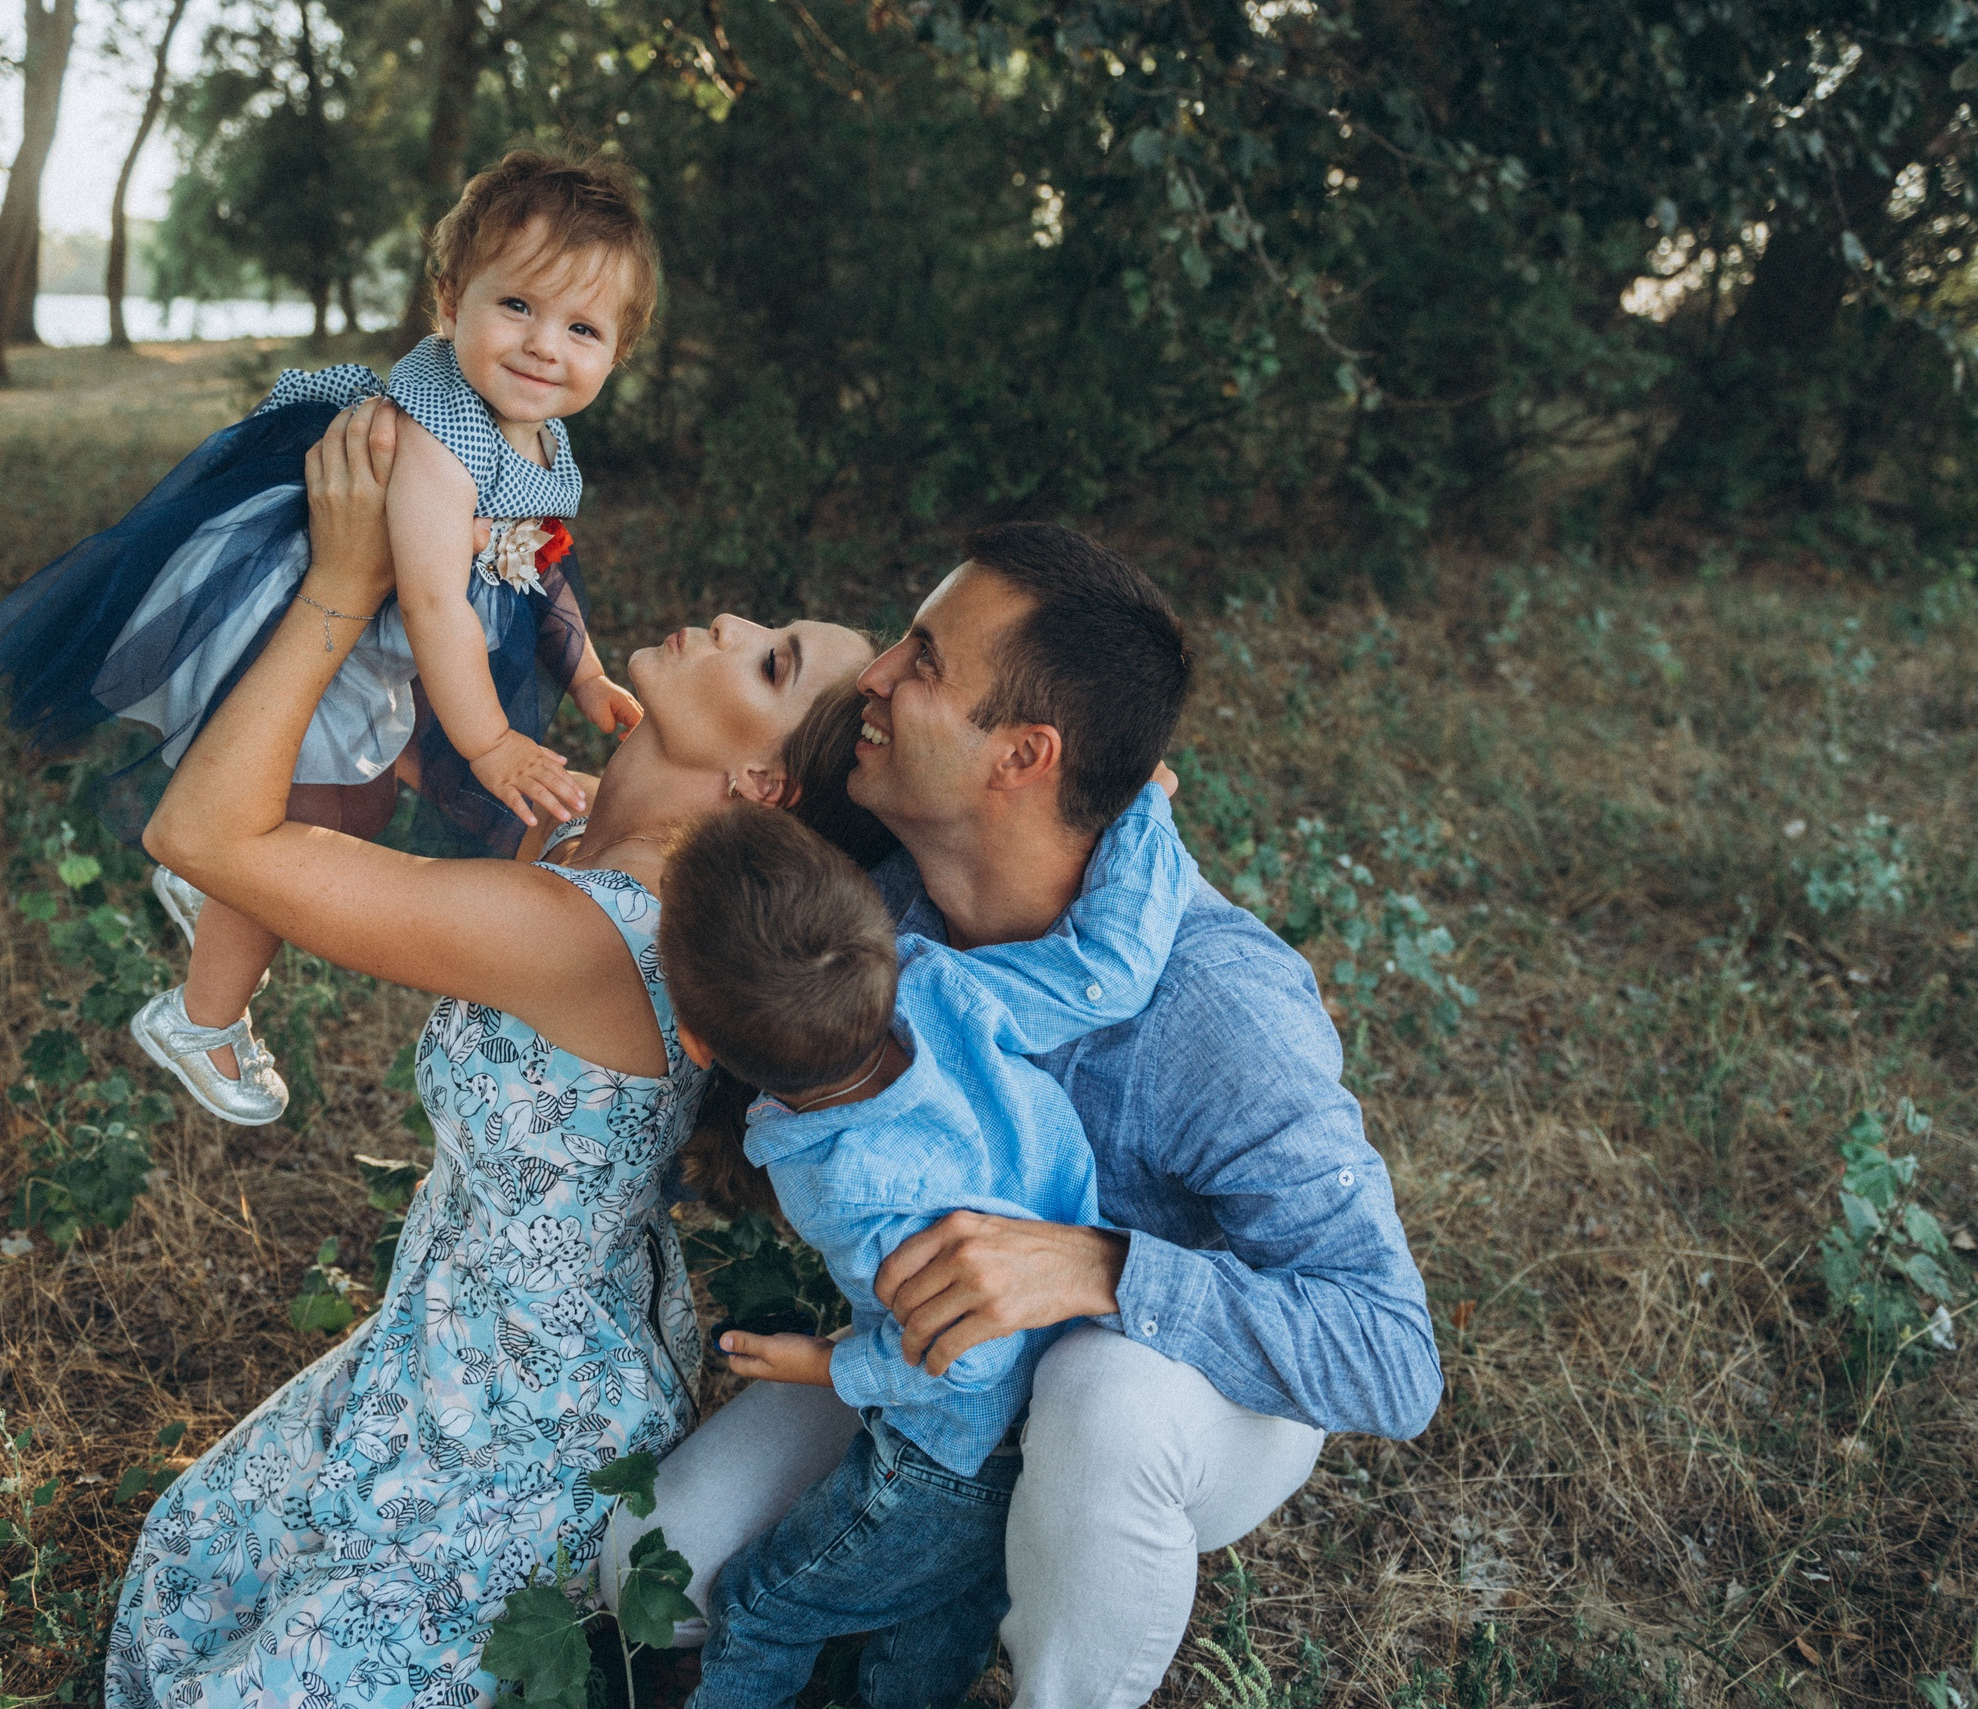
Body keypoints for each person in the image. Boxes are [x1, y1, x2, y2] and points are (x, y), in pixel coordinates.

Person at [101, 398, 879, 1709]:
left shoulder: (591, 934)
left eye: (770, 663)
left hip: (526, 1415)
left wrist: (343, 585)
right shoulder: (570, 837)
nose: (731, 621)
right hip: (442, 1342)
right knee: (195, 1563)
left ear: (763, 784)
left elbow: (205, 836)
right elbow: (391, 719)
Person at [602, 524, 1445, 1708]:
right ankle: (947, 1582)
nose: (877, 674)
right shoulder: (872, 906)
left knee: (1100, 1395)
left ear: (1023, 755)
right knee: (656, 1562)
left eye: (924, 660)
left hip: (1168, 1384)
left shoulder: (1222, 1010)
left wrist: (1098, 1267)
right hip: (945, 1379)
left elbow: (1390, 1357)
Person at [0, 149, 655, 1129]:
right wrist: (492, 742)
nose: (545, 345)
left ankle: (208, 881)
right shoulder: (437, 440)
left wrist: (583, 674)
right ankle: (202, 1017)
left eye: (581, 327)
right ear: (448, 302)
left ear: (618, 352)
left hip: (372, 652)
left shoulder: (536, 433)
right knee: (315, 816)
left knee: (350, 806)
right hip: (316, 627)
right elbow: (433, 602)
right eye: (517, 306)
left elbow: (536, 560)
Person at [654, 782, 1193, 1709]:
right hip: (1049, 1398)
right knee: (925, 1645)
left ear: (698, 1042)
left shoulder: (845, 1179)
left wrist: (829, 1364)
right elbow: (1111, 967)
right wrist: (1139, 804)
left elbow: (967, 1352)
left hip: (944, 1460)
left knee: (760, 1604)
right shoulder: (939, 984)